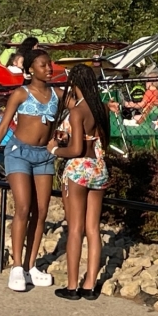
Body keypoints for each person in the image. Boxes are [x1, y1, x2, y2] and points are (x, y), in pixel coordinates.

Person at [0, 49, 60, 291]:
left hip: (44, 156)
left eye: (49, 65)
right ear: (31, 69)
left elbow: (72, 112)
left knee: (42, 211)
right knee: (23, 206)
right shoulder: (20, 94)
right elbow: (3, 126)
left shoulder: (58, 94)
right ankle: (16, 266)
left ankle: (31, 265)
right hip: (19, 152)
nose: (49, 69)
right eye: (44, 65)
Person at [47, 64, 110, 300]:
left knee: (75, 228)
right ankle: (90, 284)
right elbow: (99, 140)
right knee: (93, 229)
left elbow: (76, 149)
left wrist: (55, 150)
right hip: (99, 167)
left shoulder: (76, 111)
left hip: (78, 170)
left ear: (74, 83)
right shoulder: (102, 108)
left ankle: (72, 285)